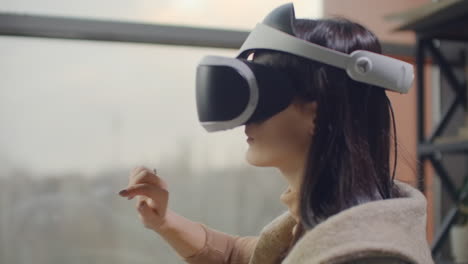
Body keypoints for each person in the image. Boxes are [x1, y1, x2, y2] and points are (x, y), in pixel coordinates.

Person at [118, 4, 434, 264]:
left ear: (318, 109)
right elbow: (241, 255)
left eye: (261, 94)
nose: (245, 119)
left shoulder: (364, 255)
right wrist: (164, 221)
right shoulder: (334, 221)